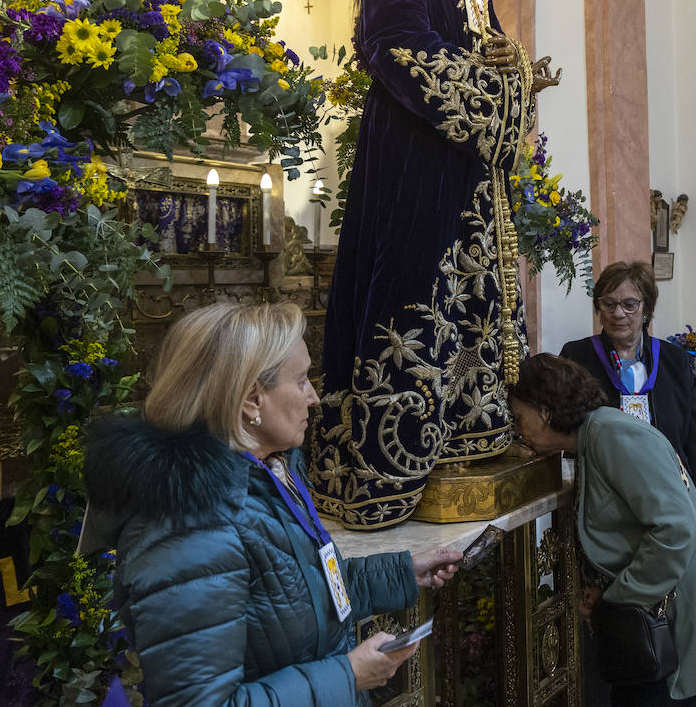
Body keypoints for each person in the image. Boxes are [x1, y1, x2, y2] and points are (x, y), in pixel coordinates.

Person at [311, 0, 560, 529]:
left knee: (469, 296)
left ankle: (465, 431)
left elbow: (489, 50)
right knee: (415, 285)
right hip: (419, 151)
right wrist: (496, 93)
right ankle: (392, 462)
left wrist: (514, 75)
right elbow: (397, 47)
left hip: (467, 162)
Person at [82, 302, 462, 706]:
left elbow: (292, 594)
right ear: (251, 399)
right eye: (300, 381)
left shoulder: (262, 478)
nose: (314, 398)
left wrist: (403, 571)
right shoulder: (191, 525)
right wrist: (347, 675)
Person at [509, 353, 696, 707]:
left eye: (518, 416)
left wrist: (617, 601)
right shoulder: (595, 435)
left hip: (691, 621)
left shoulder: (611, 435)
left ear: (543, 409)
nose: (518, 428)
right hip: (672, 615)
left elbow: (675, 529)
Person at [560, 261, 696, 518]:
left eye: (629, 304)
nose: (618, 313)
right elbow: (563, 429)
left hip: (670, 497)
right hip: (604, 500)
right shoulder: (577, 357)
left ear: (646, 309)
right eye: (609, 304)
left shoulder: (675, 361)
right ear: (598, 308)